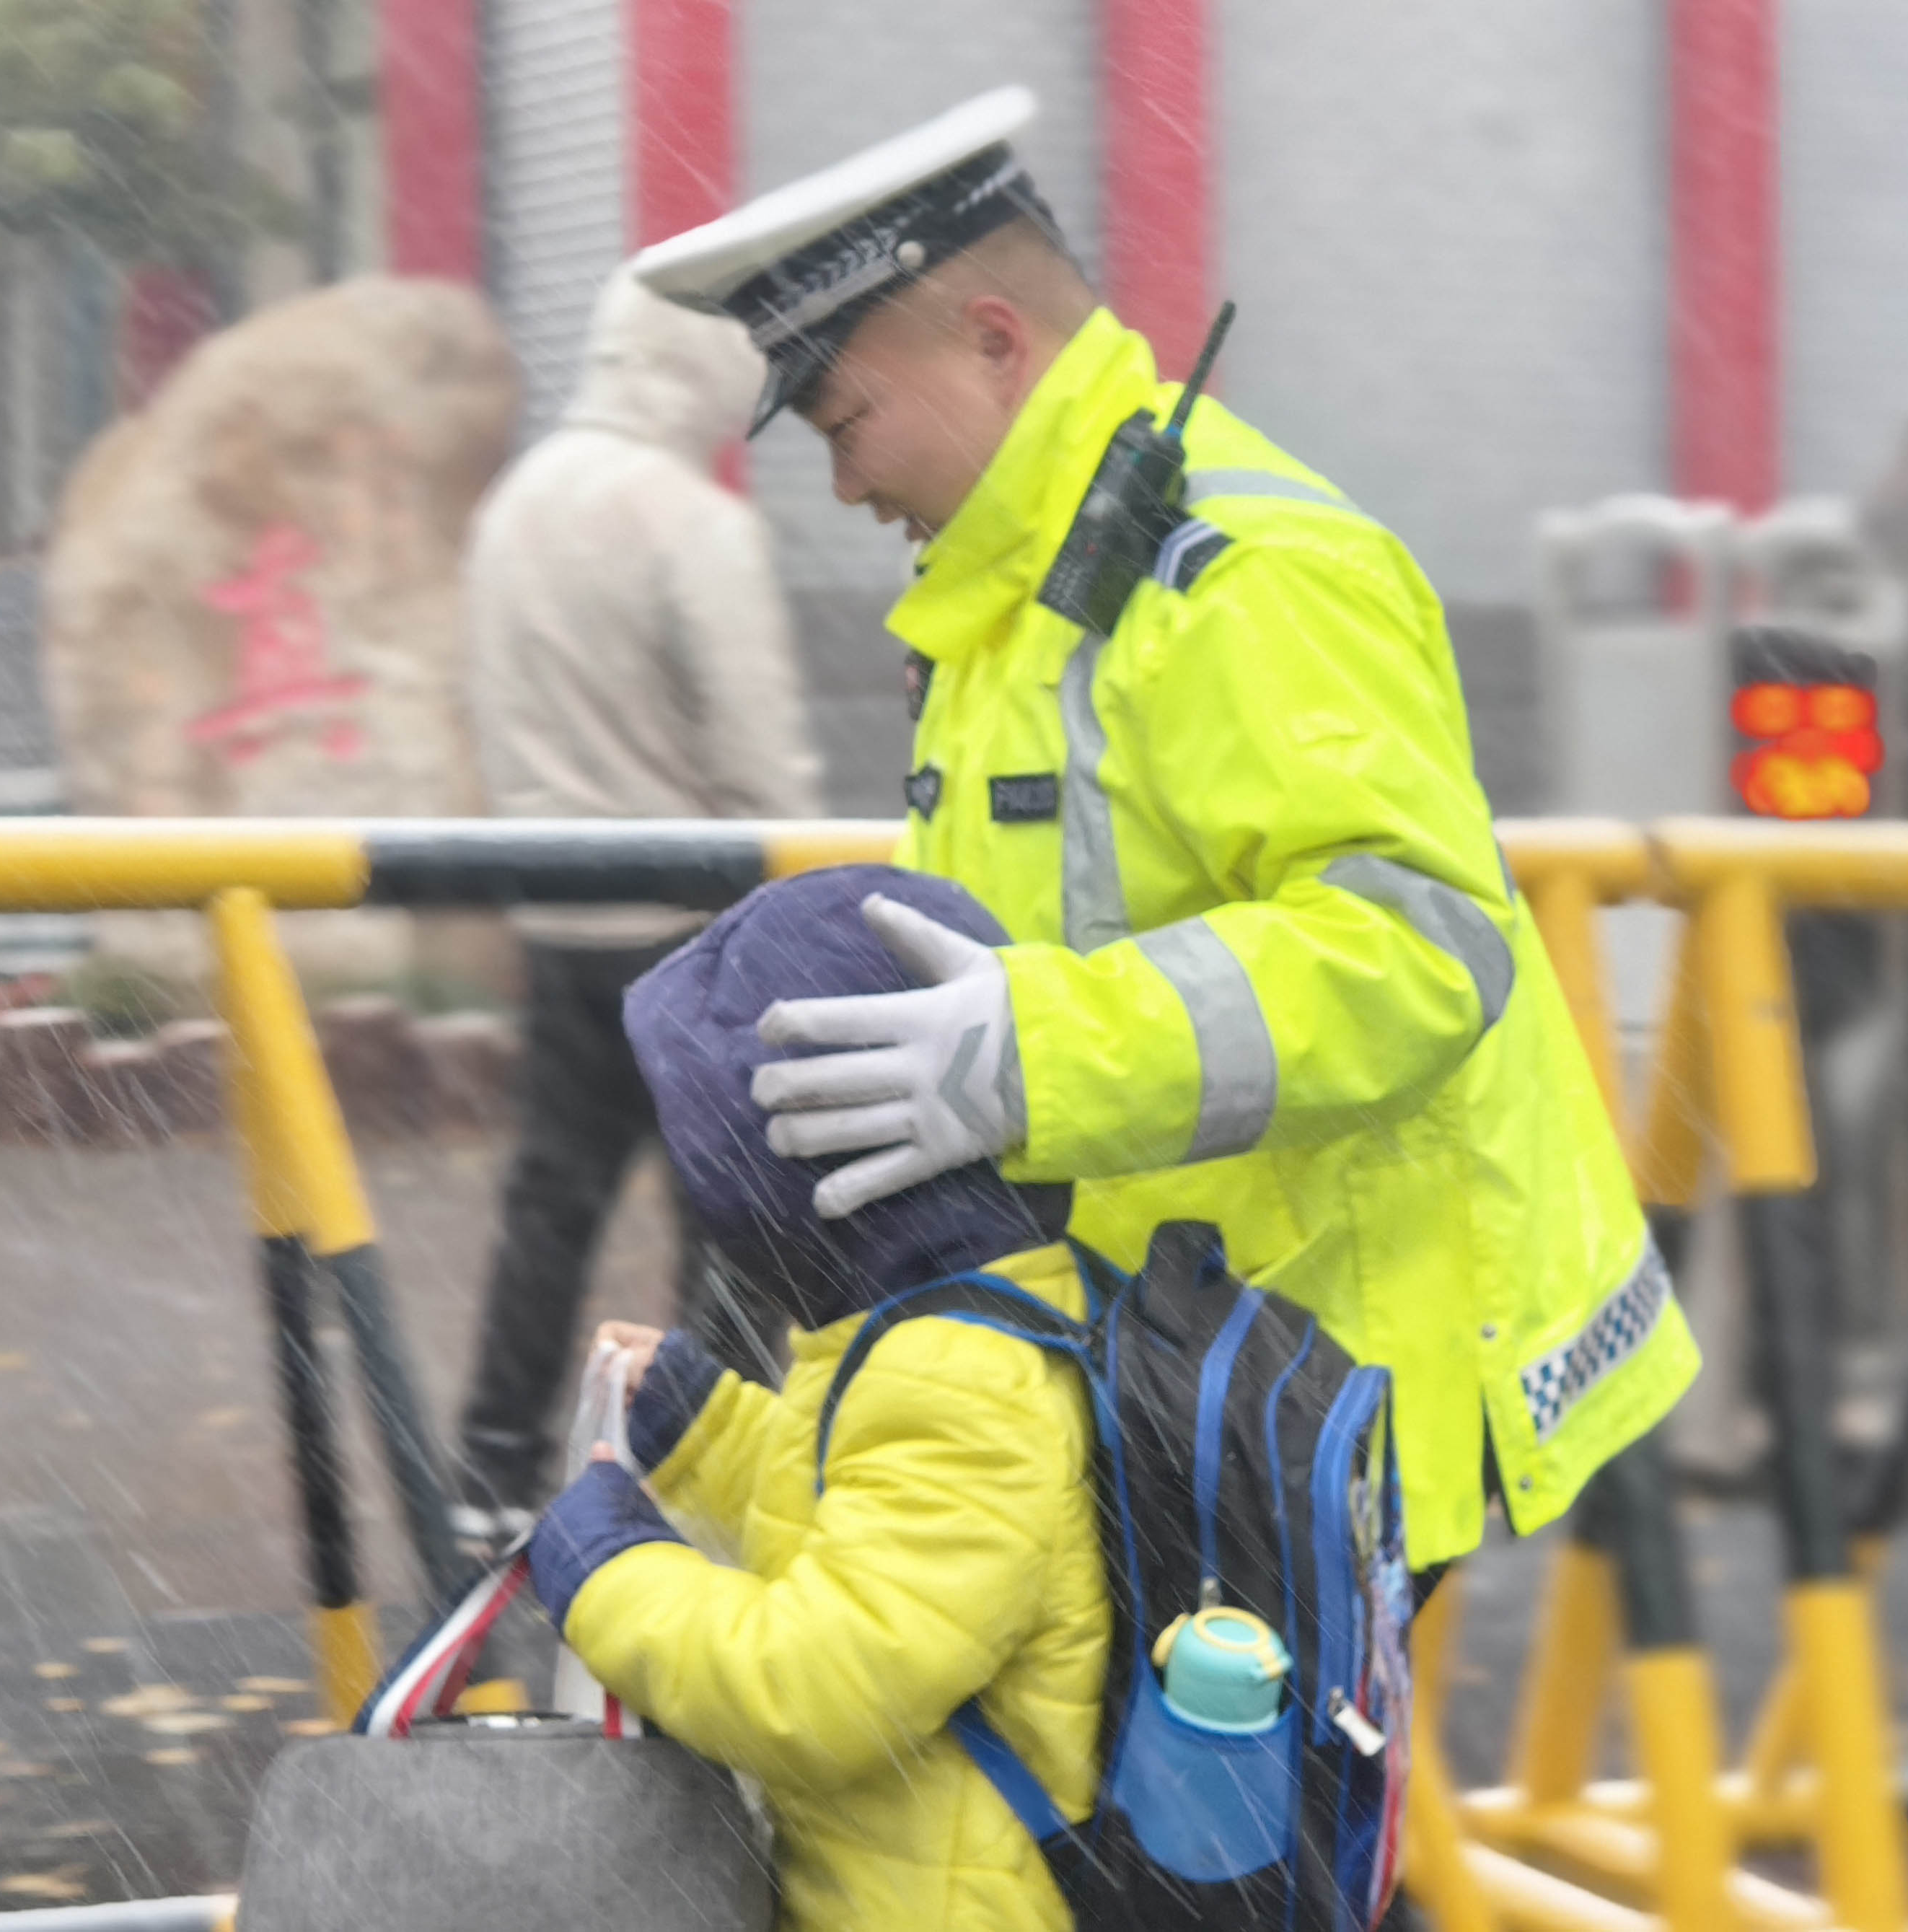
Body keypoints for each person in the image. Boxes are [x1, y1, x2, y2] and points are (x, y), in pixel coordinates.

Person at [629, 87, 1693, 1576]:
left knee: (1220, 1816)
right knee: (1233, 1812)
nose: (844, 479)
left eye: (845, 419)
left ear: (995, 342)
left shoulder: (1245, 573)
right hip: (1214, 1365)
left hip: (1334, 1376)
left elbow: (1419, 950)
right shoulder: (1014, 596)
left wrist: (1030, 1057)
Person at [525, 865, 1106, 1931]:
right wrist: (709, 1426)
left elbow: (821, 1686)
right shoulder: (929, 1325)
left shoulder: (962, 1375)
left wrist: (613, 1578)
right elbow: (865, 1528)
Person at [452, 265, 825, 1540]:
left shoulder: (514, 506)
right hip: (691, 927)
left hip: (556, 915)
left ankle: (492, 1473)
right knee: (730, 1223)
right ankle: (706, 1472)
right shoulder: (689, 520)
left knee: (548, 1204)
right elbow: (761, 762)